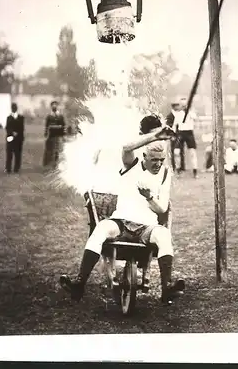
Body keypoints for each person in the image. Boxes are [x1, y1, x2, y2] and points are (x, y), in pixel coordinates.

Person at [60, 124, 185, 305]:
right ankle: (79, 283)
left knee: (164, 235)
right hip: (121, 222)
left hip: (146, 227)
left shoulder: (165, 174)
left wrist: (149, 197)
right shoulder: (132, 165)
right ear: (144, 156)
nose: (158, 164)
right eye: (154, 159)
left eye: (161, 159)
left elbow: (162, 209)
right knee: (101, 228)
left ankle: (167, 288)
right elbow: (126, 147)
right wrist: (155, 136)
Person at [167, 98, 198, 177]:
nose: (184, 107)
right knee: (176, 152)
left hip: (189, 133)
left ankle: (195, 172)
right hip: (181, 133)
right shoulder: (178, 114)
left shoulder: (191, 113)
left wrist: (189, 111)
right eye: (182, 105)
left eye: (185, 105)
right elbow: (174, 125)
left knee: (192, 153)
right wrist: (173, 134)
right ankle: (178, 170)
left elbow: (195, 118)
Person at [43, 101, 66, 168]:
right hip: (51, 135)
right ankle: (49, 163)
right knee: (50, 149)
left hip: (58, 135)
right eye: (53, 105)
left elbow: (63, 126)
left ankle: (56, 164)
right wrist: (46, 133)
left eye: (55, 105)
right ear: (51, 107)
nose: (54, 107)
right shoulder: (49, 116)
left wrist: (63, 135)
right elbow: (47, 126)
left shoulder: (60, 116)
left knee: (57, 150)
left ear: (57, 107)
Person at [5, 103, 25, 173]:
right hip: (10, 138)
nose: (14, 109)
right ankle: (8, 168)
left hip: (18, 138)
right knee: (9, 154)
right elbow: (7, 128)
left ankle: (16, 168)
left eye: (14, 107)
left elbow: (22, 128)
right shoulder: (9, 118)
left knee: (17, 154)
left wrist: (17, 133)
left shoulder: (21, 118)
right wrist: (12, 132)